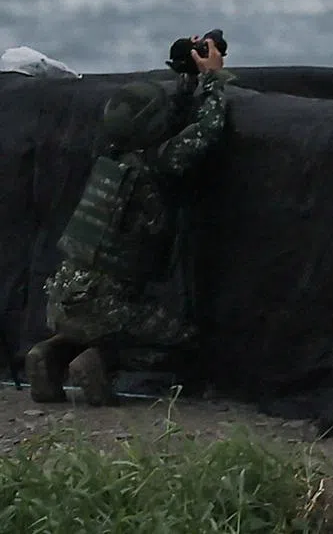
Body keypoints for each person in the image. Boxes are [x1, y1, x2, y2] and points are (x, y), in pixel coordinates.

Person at [24, 36, 230, 406]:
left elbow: (160, 118)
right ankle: (102, 362)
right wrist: (213, 80)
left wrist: (187, 74)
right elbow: (207, 130)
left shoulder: (113, 154)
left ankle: (50, 355)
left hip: (61, 297)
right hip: (106, 306)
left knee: (93, 322)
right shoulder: (158, 165)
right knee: (188, 341)